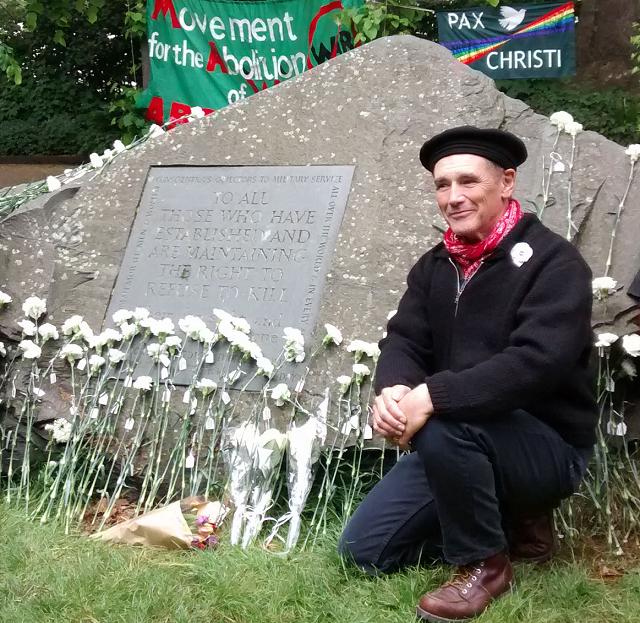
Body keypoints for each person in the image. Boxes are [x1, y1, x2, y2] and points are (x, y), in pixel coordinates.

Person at [338, 126, 597, 622]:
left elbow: (536, 363)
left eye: (467, 182)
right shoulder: (436, 265)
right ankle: (506, 523)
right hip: (457, 444)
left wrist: (430, 397)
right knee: (364, 553)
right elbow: (405, 340)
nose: (453, 198)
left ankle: (485, 564)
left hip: (545, 446)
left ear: (506, 182)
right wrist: (394, 390)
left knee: (443, 417)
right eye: (442, 185)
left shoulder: (554, 263)